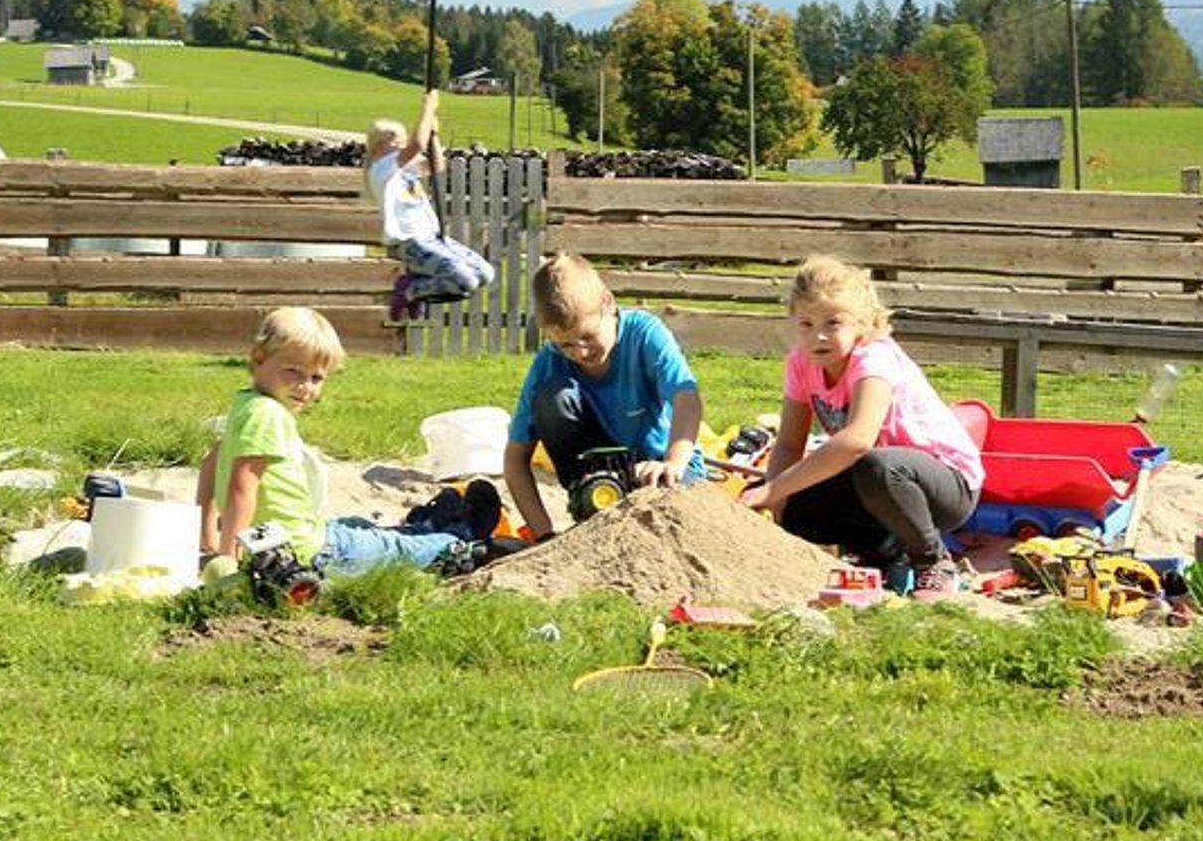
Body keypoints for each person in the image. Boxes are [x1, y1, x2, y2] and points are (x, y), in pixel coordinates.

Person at [740, 256, 983, 595]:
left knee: (876, 467)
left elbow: (857, 440)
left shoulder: (874, 357)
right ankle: (883, 556)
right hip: (875, 480)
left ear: (862, 323)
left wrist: (774, 489)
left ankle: (933, 561)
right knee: (790, 501)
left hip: (945, 484)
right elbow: (789, 443)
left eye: (833, 323)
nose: (819, 336)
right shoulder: (800, 362)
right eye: (806, 324)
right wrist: (774, 498)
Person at [196, 307, 493, 575]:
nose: (305, 387)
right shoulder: (268, 415)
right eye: (293, 372)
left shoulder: (246, 404)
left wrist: (208, 534)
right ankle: (459, 540)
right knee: (390, 548)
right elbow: (242, 486)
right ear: (259, 359)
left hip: (288, 538)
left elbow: (212, 462)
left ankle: (425, 526)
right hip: (302, 554)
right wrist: (229, 556)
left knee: (354, 527)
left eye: (316, 378)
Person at [502, 252, 705, 539]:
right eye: (565, 344)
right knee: (554, 397)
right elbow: (515, 459)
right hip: (602, 480)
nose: (580, 352)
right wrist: (544, 534)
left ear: (608, 303)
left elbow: (686, 396)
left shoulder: (644, 334)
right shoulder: (548, 362)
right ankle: (587, 503)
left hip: (662, 470)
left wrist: (673, 462)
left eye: (587, 336)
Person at [367, 90, 495, 321]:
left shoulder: (404, 169)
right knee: (465, 279)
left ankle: (419, 286)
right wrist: (429, 106)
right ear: (377, 146)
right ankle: (409, 291)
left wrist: (434, 135)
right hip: (411, 242)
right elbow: (417, 144)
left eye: (401, 137)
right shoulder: (381, 168)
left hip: (433, 237)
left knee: (485, 273)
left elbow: (437, 165)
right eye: (392, 137)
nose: (400, 142)